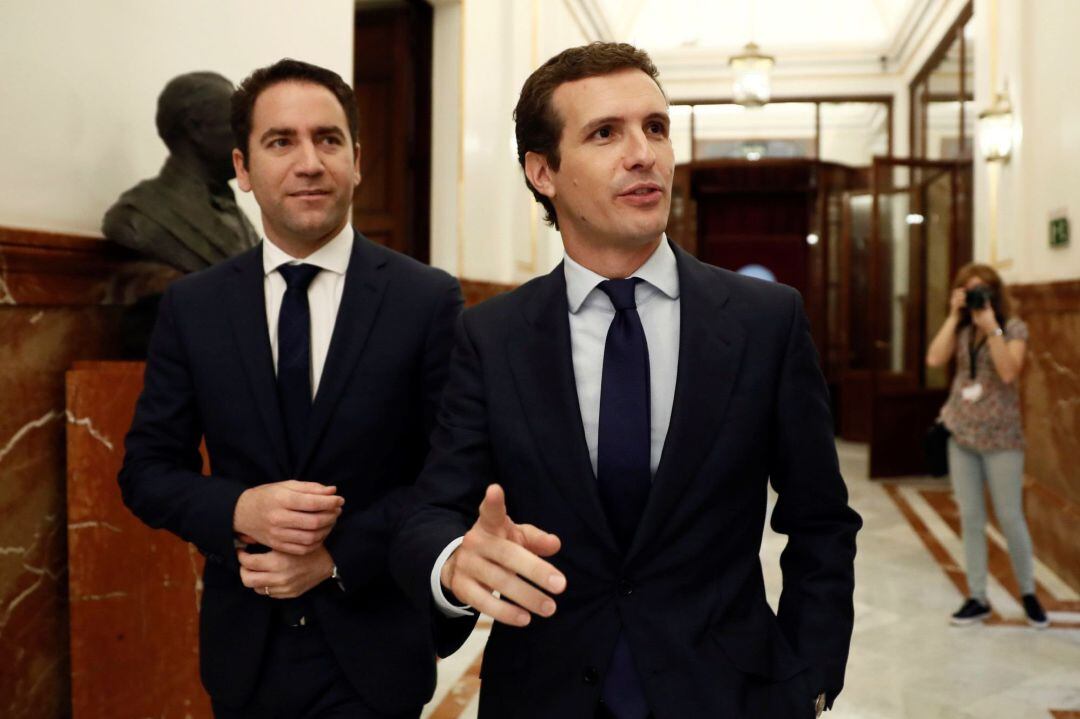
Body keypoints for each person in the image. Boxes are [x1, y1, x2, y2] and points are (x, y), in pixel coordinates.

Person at [391, 42, 862, 719]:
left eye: (657, 127)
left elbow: (821, 520)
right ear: (542, 170)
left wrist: (809, 679)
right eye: (606, 132)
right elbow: (432, 509)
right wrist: (453, 562)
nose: (643, 153)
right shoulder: (492, 336)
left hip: (726, 694)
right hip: (545, 696)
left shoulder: (765, 320)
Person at [119, 59, 470, 718]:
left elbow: (452, 475)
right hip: (246, 651)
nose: (309, 161)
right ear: (243, 169)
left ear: (357, 160)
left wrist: (336, 555)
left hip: (375, 646)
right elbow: (145, 470)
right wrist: (238, 511)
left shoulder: (425, 299)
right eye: (281, 141)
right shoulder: (193, 307)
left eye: (328, 139)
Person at [926, 263, 1048, 629]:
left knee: (1010, 517)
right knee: (971, 518)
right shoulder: (962, 328)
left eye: (982, 290)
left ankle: (1028, 592)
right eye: (968, 290)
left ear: (996, 293)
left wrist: (990, 326)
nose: (976, 296)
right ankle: (977, 596)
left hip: (1001, 437)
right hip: (962, 433)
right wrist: (953, 315)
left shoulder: (1013, 328)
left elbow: (1009, 371)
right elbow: (934, 358)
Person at [103, 71, 260, 272]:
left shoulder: (231, 210)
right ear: (196, 129)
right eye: (236, 128)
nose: (248, 142)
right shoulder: (137, 218)